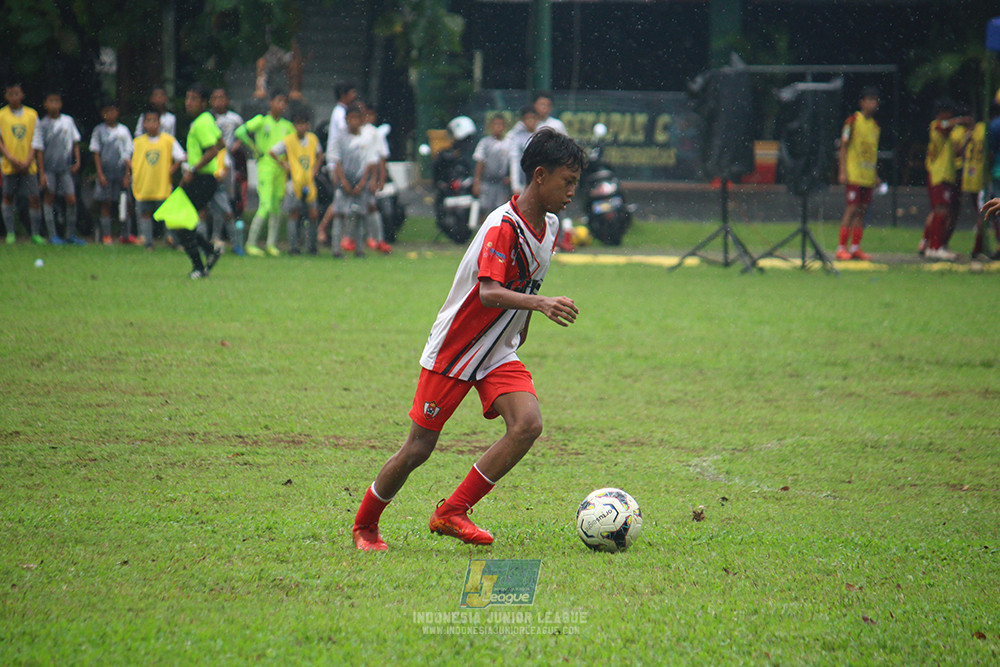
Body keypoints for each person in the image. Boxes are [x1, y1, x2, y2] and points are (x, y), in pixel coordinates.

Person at [351, 129, 586, 551]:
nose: (572, 192)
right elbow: (489, 292)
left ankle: (452, 512)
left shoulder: (549, 227)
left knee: (528, 424)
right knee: (418, 449)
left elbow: (528, 282)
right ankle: (365, 524)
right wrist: (542, 305)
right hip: (456, 348)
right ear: (539, 176)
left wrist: (523, 326)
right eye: (566, 182)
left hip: (497, 350)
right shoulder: (502, 226)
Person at [167, 83, 225, 278]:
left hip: (202, 178)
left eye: (193, 99)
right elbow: (221, 142)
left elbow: (213, 149)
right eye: (187, 98)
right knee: (179, 220)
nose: (188, 103)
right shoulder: (208, 118)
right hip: (203, 179)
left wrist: (193, 168)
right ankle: (209, 251)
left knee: (178, 221)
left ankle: (199, 267)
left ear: (203, 103)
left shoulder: (201, 122)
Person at [234, 89, 294, 256]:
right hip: (266, 165)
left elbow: (292, 147)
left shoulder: (287, 126)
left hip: (281, 168)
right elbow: (240, 132)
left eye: (284, 102)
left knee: (276, 206)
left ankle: (271, 244)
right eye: (278, 101)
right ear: (271, 102)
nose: (281, 105)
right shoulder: (261, 120)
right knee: (265, 204)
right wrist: (255, 149)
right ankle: (251, 243)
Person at [921, 99, 972, 260]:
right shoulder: (936, 125)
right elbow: (945, 125)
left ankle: (936, 245)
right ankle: (934, 247)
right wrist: (962, 120)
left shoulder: (947, 133)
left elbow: (955, 152)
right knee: (940, 211)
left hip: (946, 174)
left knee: (944, 211)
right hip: (939, 175)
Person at [323, 102, 375, 258]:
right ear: (346, 120)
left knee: (360, 214)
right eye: (350, 118)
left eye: (356, 118)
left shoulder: (366, 137)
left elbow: (369, 161)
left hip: (360, 181)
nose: (353, 121)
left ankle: (359, 248)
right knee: (339, 213)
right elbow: (336, 160)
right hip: (343, 180)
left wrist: (363, 181)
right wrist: (342, 180)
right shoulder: (340, 138)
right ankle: (336, 249)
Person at [835, 87, 880, 261]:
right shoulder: (852, 121)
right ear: (862, 103)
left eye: (875, 101)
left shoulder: (875, 126)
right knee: (852, 209)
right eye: (870, 100)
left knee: (862, 210)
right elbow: (844, 147)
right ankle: (841, 247)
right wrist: (842, 170)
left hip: (867, 176)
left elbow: (872, 152)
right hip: (854, 174)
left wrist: (875, 175)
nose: (873, 104)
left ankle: (855, 248)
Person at [129, 109, 185, 249]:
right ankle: (148, 242)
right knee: (145, 214)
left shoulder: (168, 140)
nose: (151, 124)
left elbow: (181, 156)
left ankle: (171, 239)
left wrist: (173, 168)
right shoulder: (137, 142)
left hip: (162, 185)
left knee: (167, 214)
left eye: (154, 120)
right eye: (148, 120)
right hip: (144, 185)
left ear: (159, 123)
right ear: (143, 124)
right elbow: (126, 157)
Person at [270, 109, 321, 255]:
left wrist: (315, 169)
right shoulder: (289, 140)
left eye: (304, 124)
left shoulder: (312, 139)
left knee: (313, 214)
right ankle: (293, 247)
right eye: (298, 124)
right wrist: (284, 165)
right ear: (294, 125)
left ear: (308, 125)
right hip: (294, 182)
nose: (301, 127)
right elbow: (272, 152)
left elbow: (319, 154)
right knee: (294, 213)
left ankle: (312, 246)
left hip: (309, 181)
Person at [33, 91, 82, 245]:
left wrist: (77, 161)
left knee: (71, 199)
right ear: (45, 104)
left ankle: (70, 235)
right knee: (49, 198)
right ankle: (53, 235)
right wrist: (41, 173)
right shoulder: (42, 124)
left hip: (65, 168)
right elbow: (39, 150)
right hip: (49, 168)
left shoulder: (68, 121)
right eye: (51, 101)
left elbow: (75, 142)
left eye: (57, 101)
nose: (54, 104)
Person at [0, 82, 44, 244]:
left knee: (34, 197)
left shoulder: (31, 115)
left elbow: (36, 139)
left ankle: (35, 233)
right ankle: (10, 233)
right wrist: (10, 158)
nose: (14, 97)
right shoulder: (1, 115)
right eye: (10, 94)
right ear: (6, 96)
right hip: (10, 164)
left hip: (28, 164)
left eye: (16, 93)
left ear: (22, 95)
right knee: (7, 197)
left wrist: (28, 159)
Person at [89, 98, 133, 244]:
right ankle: (106, 235)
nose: (110, 114)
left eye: (112, 111)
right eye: (106, 111)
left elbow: (128, 154)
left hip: (121, 172)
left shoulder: (123, 130)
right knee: (105, 203)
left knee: (125, 203)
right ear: (102, 114)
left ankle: (125, 235)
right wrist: (100, 174)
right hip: (106, 172)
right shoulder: (98, 131)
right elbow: (96, 153)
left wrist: (127, 175)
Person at [208, 88, 245, 254]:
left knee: (226, 202)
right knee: (216, 205)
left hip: (227, 164)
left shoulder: (234, 119)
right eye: (215, 98)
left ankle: (222, 239)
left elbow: (242, 135)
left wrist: (236, 146)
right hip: (210, 164)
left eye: (221, 98)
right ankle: (218, 238)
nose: (218, 101)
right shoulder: (207, 119)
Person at [359, 101, 391, 254]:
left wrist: (380, 178)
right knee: (356, 208)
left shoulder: (373, 132)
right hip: (356, 174)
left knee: (371, 206)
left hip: (369, 174)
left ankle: (377, 238)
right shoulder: (356, 131)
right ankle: (358, 238)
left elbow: (380, 157)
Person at [473, 113, 513, 227]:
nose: (498, 127)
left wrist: (509, 176)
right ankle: (482, 231)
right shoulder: (485, 143)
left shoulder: (508, 143)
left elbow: (512, 162)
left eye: (501, 125)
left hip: (500, 183)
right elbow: (480, 162)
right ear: (491, 126)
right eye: (496, 125)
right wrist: (477, 181)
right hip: (487, 181)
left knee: (500, 209)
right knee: (484, 208)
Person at [507, 105, 540, 196]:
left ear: (537, 119)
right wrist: (515, 186)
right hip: (523, 181)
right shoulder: (518, 138)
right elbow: (515, 161)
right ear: (523, 120)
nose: (530, 121)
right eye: (527, 119)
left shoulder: (542, 137)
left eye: (532, 118)